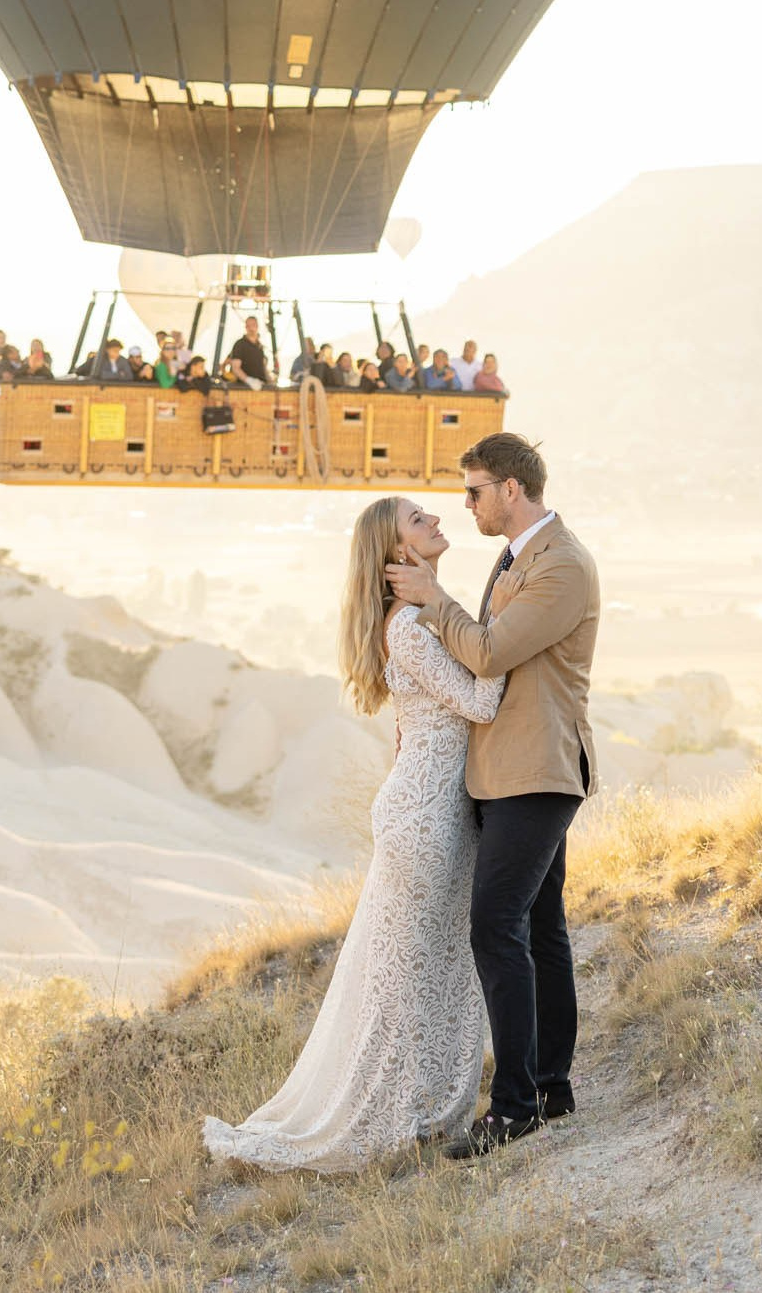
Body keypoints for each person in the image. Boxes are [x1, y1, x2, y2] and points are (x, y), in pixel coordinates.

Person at [203, 494, 503, 1170]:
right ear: (399, 554)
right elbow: (482, 700)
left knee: (438, 963)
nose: (435, 520)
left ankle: (423, 1107)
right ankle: (391, 1116)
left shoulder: (423, 615)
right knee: (410, 970)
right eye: (418, 520)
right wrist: (508, 639)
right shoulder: (409, 629)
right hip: (425, 814)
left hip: (435, 806)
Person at [386, 433, 598, 1157]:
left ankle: (512, 1107)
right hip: (504, 772)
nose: (464, 503)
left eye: (473, 489)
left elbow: (486, 652)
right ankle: (550, 1088)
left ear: (511, 489)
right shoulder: (516, 557)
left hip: (536, 769)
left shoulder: (561, 565)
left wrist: (433, 600)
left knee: (495, 925)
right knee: (540, 929)